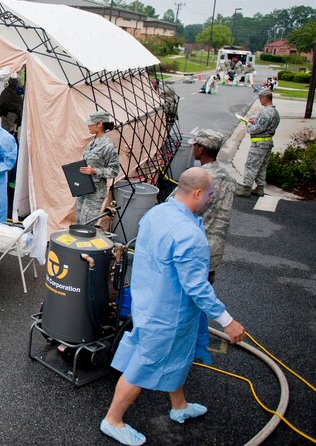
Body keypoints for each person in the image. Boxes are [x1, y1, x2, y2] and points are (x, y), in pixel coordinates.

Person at [101, 168, 246, 446]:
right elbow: (197, 287)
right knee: (143, 366)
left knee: (178, 354)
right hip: (169, 312)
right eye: (211, 194)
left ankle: (179, 406)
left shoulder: (157, 213)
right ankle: (113, 420)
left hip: (150, 300)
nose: (212, 198)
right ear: (197, 193)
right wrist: (227, 320)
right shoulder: (189, 235)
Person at [192, 130, 236, 284]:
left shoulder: (197, 177)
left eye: (195, 145)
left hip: (192, 251)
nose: (193, 148)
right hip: (213, 251)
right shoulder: (229, 178)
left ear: (201, 149)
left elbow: (175, 208)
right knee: (204, 294)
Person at [76, 111, 120, 226]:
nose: (88, 126)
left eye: (91, 123)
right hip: (84, 188)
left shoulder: (108, 146)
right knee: (79, 221)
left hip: (95, 192)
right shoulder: (92, 142)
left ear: (100, 124)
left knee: (87, 225)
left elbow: (114, 171)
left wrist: (95, 171)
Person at [237, 89, 280, 197]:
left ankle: (246, 188)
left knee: (251, 165)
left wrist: (248, 124)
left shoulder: (266, 112)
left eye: (260, 98)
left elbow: (257, 129)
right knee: (262, 166)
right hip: (267, 142)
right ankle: (260, 188)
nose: (260, 100)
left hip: (259, 144)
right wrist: (255, 121)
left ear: (265, 98)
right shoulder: (274, 112)